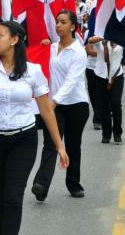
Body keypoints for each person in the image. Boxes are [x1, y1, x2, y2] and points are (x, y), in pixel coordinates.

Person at [0, 21, 68, 234]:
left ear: (15, 39)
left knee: (13, 198)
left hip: (23, 140)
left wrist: (59, 146)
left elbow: (46, 111)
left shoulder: (33, 71)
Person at [32, 10, 90, 200]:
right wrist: (42, 47)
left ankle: (73, 184)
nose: (58, 25)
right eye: (57, 22)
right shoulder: (51, 47)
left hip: (75, 105)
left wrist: (54, 101)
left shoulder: (79, 52)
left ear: (72, 27)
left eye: (63, 22)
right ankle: (41, 185)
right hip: (55, 105)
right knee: (51, 142)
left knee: (73, 145)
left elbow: (71, 81)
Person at [88, 36, 125, 143]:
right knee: (104, 106)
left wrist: (122, 40)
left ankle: (117, 133)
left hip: (117, 75)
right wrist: (103, 37)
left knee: (116, 103)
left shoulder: (120, 38)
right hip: (101, 75)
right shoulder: (100, 38)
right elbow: (90, 40)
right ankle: (106, 134)